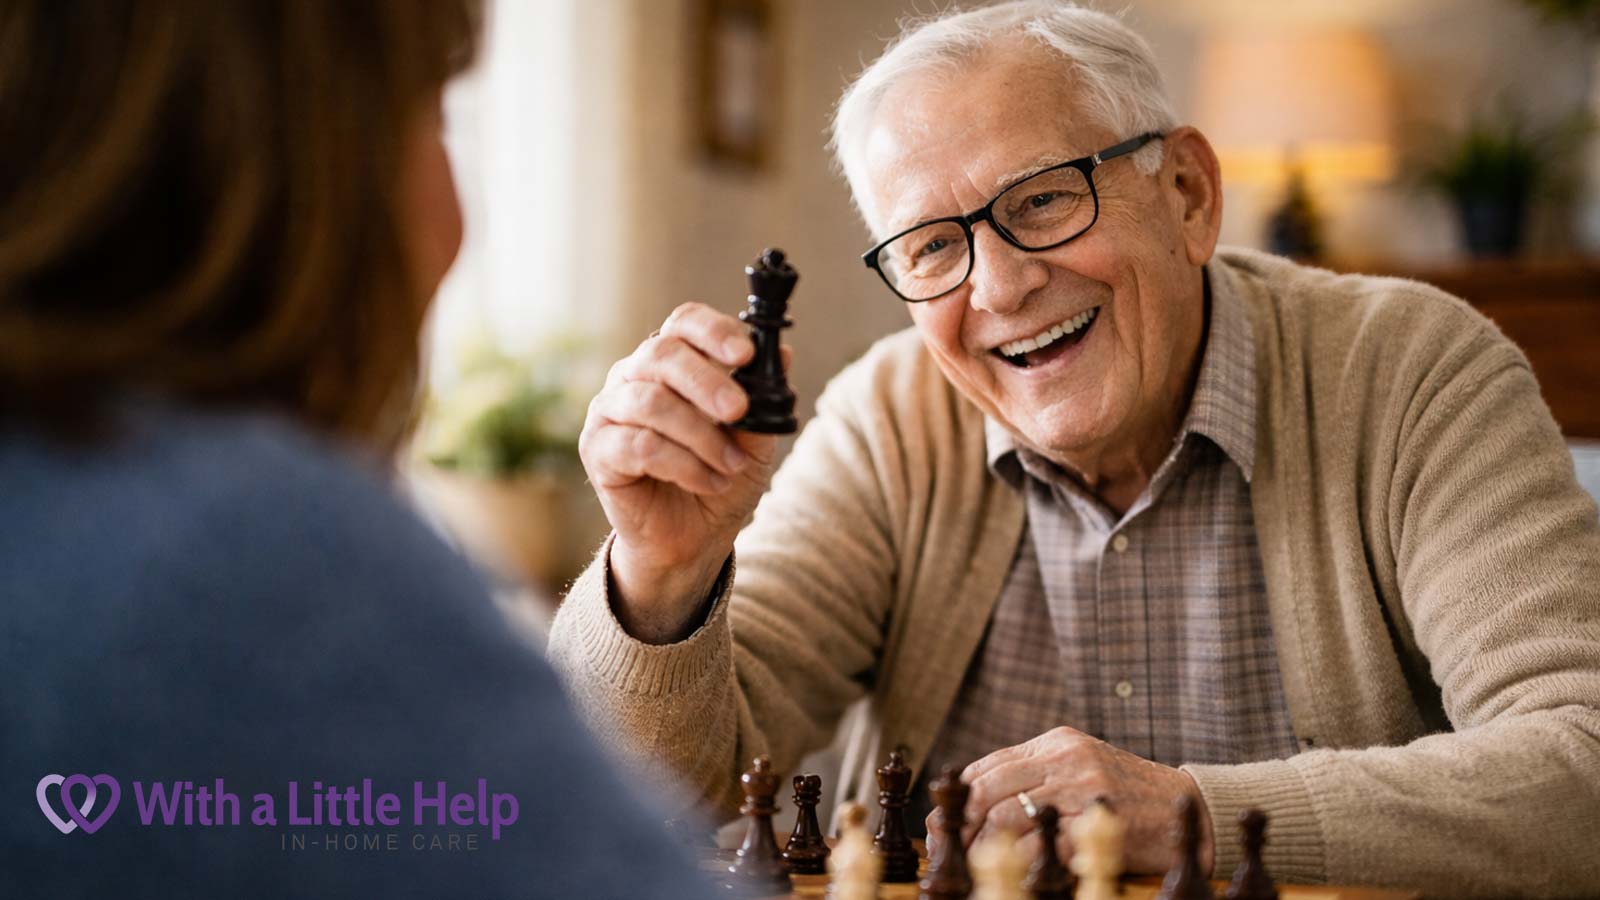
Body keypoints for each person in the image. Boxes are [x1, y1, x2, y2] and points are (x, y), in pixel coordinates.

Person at [547, 2, 1600, 896]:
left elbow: (1582, 760)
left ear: (1186, 194)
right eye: (930, 246)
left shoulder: (1414, 372)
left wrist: (1192, 814)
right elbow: (631, 793)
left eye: (1043, 199)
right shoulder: (890, 421)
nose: (997, 288)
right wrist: (660, 574)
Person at [0, 3, 712, 897]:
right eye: (426, 112)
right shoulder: (258, 551)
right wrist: (656, 571)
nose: (457, 226)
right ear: (264, 156)